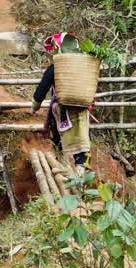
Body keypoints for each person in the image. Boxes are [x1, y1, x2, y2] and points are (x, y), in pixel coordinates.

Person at [31, 32, 92, 170]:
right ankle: (81, 170)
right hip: (82, 109)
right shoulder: (85, 67)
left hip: (62, 110)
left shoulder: (56, 68)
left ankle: (62, 165)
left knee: (59, 136)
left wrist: (35, 106)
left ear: (59, 48)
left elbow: (42, 89)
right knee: (82, 137)